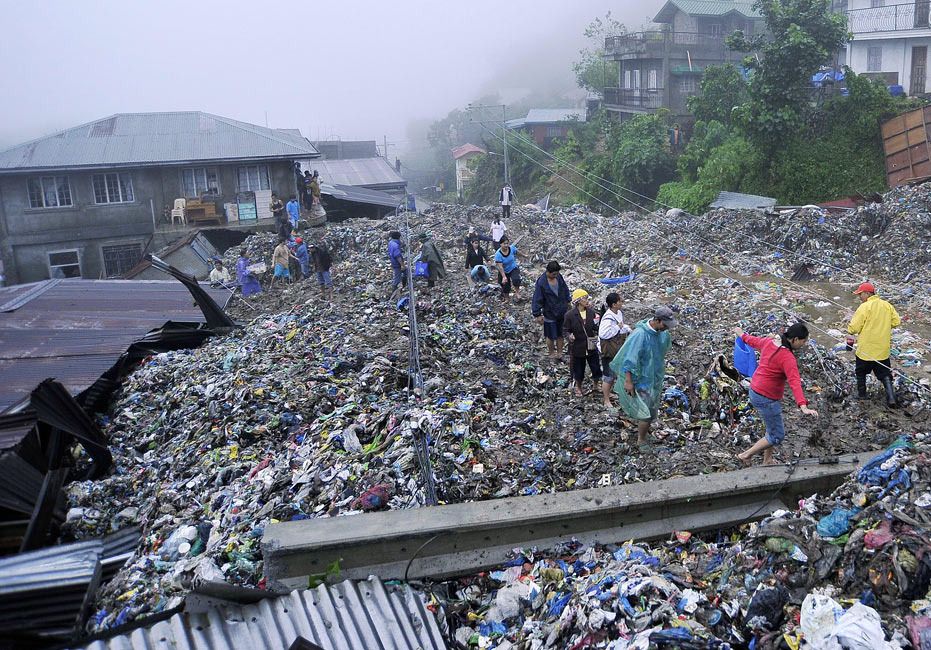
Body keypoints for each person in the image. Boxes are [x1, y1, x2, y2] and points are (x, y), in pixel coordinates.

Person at [735, 323, 819, 466]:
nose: (804, 344)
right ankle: (745, 455)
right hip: (766, 397)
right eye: (803, 341)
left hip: (755, 389)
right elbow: (794, 382)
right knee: (777, 435)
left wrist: (741, 334)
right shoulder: (787, 357)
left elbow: (753, 341)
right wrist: (803, 405)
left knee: (771, 427)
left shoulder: (770, 342)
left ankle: (767, 460)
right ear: (795, 339)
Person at [612, 306, 676, 445]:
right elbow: (628, 359)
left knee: (652, 409)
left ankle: (645, 434)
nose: (667, 328)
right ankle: (641, 440)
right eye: (665, 325)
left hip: (654, 377)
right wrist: (628, 381)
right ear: (657, 320)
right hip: (640, 379)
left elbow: (662, 350)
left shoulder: (662, 333)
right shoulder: (640, 335)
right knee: (645, 413)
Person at [846, 282, 901, 407]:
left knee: (861, 373)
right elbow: (896, 322)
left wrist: (849, 332)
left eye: (860, 294)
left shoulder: (865, 307)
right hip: (882, 350)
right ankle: (891, 398)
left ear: (867, 293)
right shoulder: (887, 305)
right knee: (885, 374)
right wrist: (884, 325)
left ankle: (862, 395)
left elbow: (854, 327)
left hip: (865, 350)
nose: (859, 297)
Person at [563, 289, 602, 397]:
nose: (587, 300)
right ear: (579, 301)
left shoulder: (591, 312)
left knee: (595, 366)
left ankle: (596, 384)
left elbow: (595, 327)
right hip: (577, 345)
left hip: (591, 341)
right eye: (585, 298)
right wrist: (569, 336)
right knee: (578, 368)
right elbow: (565, 329)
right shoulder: (570, 315)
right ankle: (578, 387)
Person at [598, 292, 631, 408]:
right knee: (608, 375)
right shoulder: (608, 318)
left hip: (617, 348)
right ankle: (606, 400)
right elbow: (603, 334)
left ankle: (610, 393)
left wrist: (627, 329)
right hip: (609, 350)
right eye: (619, 301)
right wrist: (618, 327)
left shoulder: (618, 313)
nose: (621, 303)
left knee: (614, 374)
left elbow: (621, 326)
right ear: (614, 304)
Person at [531, 261, 571, 357]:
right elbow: (537, 298)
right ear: (548, 272)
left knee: (560, 334)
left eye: (557, 273)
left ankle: (560, 352)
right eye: (554, 274)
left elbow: (565, 289)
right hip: (549, 312)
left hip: (561, 310)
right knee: (550, 335)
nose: (555, 275)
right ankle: (551, 353)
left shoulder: (559, 277)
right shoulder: (542, 282)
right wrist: (537, 314)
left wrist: (568, 301)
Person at [493, 236, 521, 301]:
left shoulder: (511, 248)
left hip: (513, 267)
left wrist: (524, 256)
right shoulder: (498, 254)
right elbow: (500, 267)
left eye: (507, 243)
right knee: (505, 285)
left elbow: (517, 252)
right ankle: (507, 298)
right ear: (500, 244)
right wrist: (504, 276)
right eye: (504, 244)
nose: (506, 245)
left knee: (516, 279)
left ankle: (517, 293)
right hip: (504, 270)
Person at [388, 231, 406, 298]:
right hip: (397, 264)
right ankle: (393, 293)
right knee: (397, 278)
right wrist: (402, 265)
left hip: (393, 262)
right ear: (399, 237)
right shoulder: (395, 245)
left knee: (405, 272)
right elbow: (397, 256)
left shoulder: (391, 242)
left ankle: (404, 286)